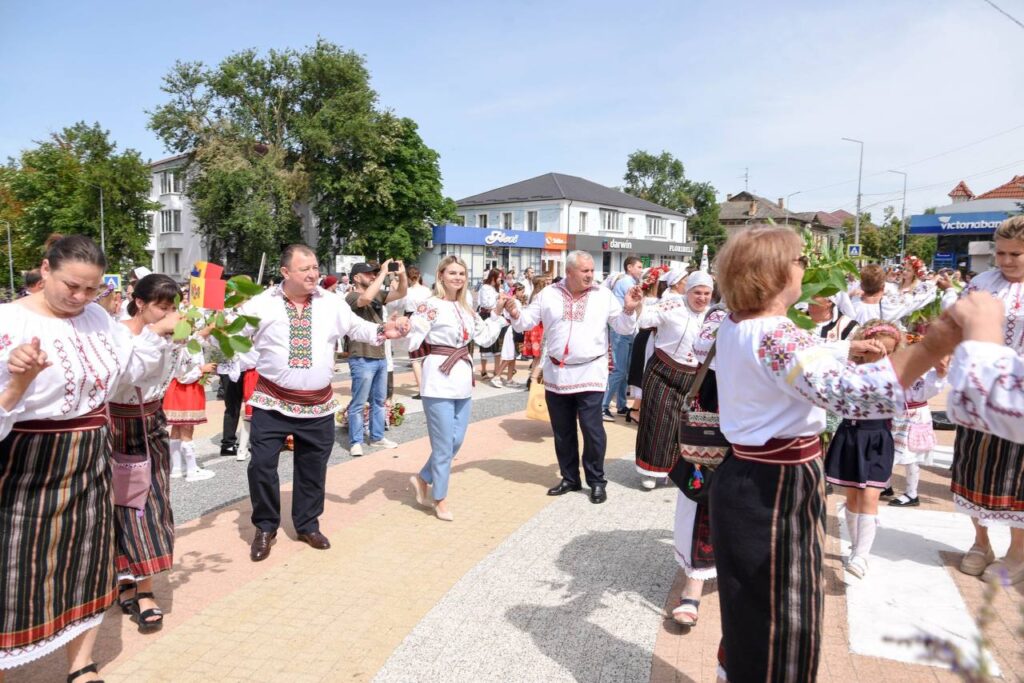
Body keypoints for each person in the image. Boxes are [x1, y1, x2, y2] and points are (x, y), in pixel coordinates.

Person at [708, 227, 959, 682]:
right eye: (799, 260)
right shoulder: (776, 333)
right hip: (774, 486)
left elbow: (784, 357)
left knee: (751, 603)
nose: (805, 267)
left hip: (749, 475)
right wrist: (932, 346)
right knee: (783, 611)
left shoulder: (735, 321)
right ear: (775, 272)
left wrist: (844, 347)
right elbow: (853, 396)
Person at [0, 235, 176, 682]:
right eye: (71, 286)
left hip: (93, 453)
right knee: (14, 569)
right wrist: (18, 382)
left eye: (91, 289)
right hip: (27, 461)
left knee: (88, 561)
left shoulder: (98, 317)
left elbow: (129, 373)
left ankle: (80, 665)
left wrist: (155, 336)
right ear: (45, 270)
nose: (80, 298)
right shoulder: (8, 323)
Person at [240, 245, 409, 562]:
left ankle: (307, 525)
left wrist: (383, 329)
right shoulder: (260, 304)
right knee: (261, 465)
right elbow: (232, 333)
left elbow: (356, 327)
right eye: (304, 269)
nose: (313, 274)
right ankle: (265, 527)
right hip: (271, 401)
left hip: (317, 404)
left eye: (315, 267)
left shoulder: (331, 303)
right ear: (285, 272)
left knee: (313, 468)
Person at [508, 250, 642, 504]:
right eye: (585, 271)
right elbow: (526, 321)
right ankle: (570, 478)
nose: (590, 275)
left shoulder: (603, 295)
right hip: (557, 373)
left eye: (591, 270)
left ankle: (596, 480)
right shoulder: (549, 294)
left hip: (590, 371)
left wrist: (628, 309)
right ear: (569, 272)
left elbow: (623, 327)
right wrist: (514, 311)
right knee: (563, 430)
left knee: (592, 429)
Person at [946, 216, 1024, 584]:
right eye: (1001, 253)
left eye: (1015, 254)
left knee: (1016, 475)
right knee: (974, 467)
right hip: (979, 392)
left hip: (1019, 397)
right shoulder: (982, 284)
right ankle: (981, 543)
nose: (1006, 261)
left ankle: (1018, 553)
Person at [407, 256, 509, 521]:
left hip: (462, 379)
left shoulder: (467, 307)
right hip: (438, 378)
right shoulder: (430, 305)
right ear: (441, 275)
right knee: (443, 445)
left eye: (461, 273)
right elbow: (413, 337)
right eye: (452, 273)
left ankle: (423, 477)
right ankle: (439, 498)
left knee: (456, 441)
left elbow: (484, 337)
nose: (458, 277)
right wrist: (404, 328)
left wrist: (497, 314)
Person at [108, 274, 182, 634]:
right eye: (161, 307)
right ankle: (124, 579)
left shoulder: (167, 335)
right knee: (115, 507)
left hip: (151, 422)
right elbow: (126, 376)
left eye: (172, 308)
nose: (167, 315)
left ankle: (146, 589)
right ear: (139, 303)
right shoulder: (117, 334)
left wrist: (192, 338)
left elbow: (181, 373)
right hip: (115, 426)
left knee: (150, 505)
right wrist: (156, 335)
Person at [634, 270, 712, 490]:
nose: (702, 298)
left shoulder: (713, 315)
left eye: (706, 293)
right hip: (663, 372)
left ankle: (679, 471)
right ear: (688, 291)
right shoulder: (673, 305)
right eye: (697, 292)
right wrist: (637, 304)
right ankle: (650, 470)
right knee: (658, 422)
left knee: (686, 426)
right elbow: (644, 319)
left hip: (695, 378)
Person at [345, 261, 407, 456]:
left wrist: (402, 274)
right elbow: (365, 299)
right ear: (356, 278)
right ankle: (356, 441)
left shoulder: (377, 293)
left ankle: (377, 437)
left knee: (379, 401)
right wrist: (382, 273)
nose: (372, 276)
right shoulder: (351, 296)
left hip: (380, 355)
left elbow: (402, 292)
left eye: (374, 273)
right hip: (361, 356)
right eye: (368, 274)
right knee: (358, 402)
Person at [162, 337, 217, 481]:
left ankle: (177, 467)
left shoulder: (177, 344)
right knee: (187, 428)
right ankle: (192, 470)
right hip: (186, 390)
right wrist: (201, 370)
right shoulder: (186, 346)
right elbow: (184, 375)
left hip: (176, 389)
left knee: (177, 428)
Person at [602, 256, 643, 421]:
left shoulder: (629, 282)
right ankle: (602, 406)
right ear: (629, 267)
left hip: (627, 329)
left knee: (624, 370)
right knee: (619, 369)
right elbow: (637, 303)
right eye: (639, 267)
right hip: (620, 329)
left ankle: (621, 404)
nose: (641, 270)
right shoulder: (627, 282)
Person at [834, 263, 935, 324]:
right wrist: (935, 280)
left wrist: (850, 293)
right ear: (883, 286)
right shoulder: (891, 304)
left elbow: (836, 295)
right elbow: (917, 296)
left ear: (861, 285)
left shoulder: (849, 303)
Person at [403, 266, 433, 400]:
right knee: (428, 354)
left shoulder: (406, 292)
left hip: (411, 319)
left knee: (415, 357)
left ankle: (422, 389)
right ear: (419, 275)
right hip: (426, 319)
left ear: (408, 277)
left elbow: (401, 306)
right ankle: (430, 386)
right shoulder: (427, 291)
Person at [476, 269, 502, 379]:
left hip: (496, 316)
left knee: (498, 343)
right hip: (486, 316)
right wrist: (498, 297)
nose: (500, 279)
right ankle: (483, 370)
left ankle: (496, 371)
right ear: (493, 277)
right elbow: (486, 304)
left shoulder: (496, 288)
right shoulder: (485, 288)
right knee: (485, 342)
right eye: (499, 277)